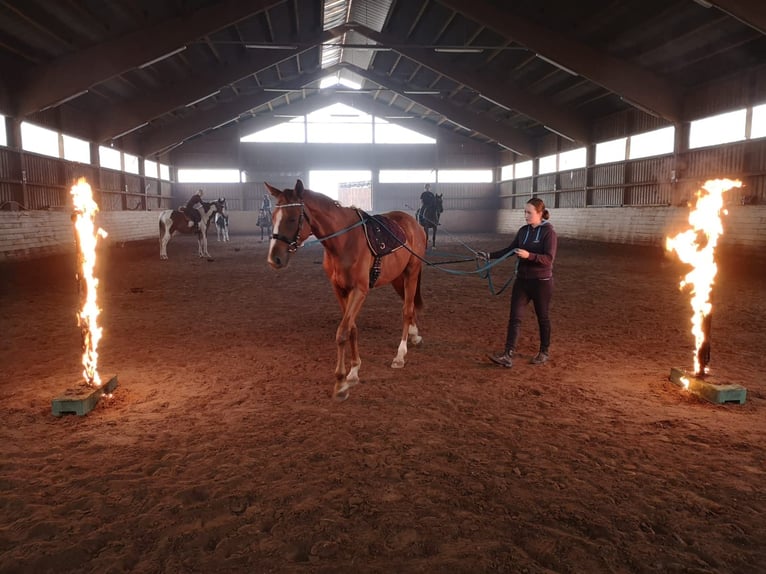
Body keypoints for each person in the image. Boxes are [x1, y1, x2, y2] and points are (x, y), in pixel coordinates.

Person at [478, 197, 558, 368]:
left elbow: (549, 259)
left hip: (541, 282)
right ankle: (508, 354)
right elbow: (509, 250)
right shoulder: (523, 231)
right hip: (522, 280)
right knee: (515, 317)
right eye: (525, 212)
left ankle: (544, 351)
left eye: (529, 213)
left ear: (540, 213)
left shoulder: (548, 233)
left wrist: (529, 256)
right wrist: (488, 255)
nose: (526, 216)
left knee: (542, 317)